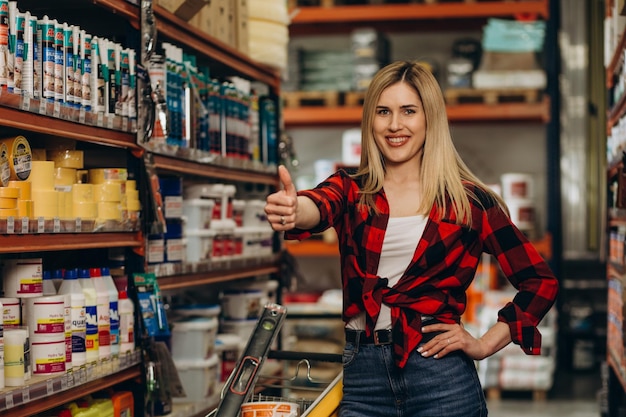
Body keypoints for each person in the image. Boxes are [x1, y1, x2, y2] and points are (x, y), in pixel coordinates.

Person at [264, 60, 558, 417]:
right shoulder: (352, 189)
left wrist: (483, 345)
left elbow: (539, 282)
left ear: (429, 118)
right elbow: (319, 205)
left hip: (441, 378)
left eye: (408, 111)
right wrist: (296, 209)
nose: (394, 125)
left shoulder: (467, 203)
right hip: (364, 377)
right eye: (383, 112)